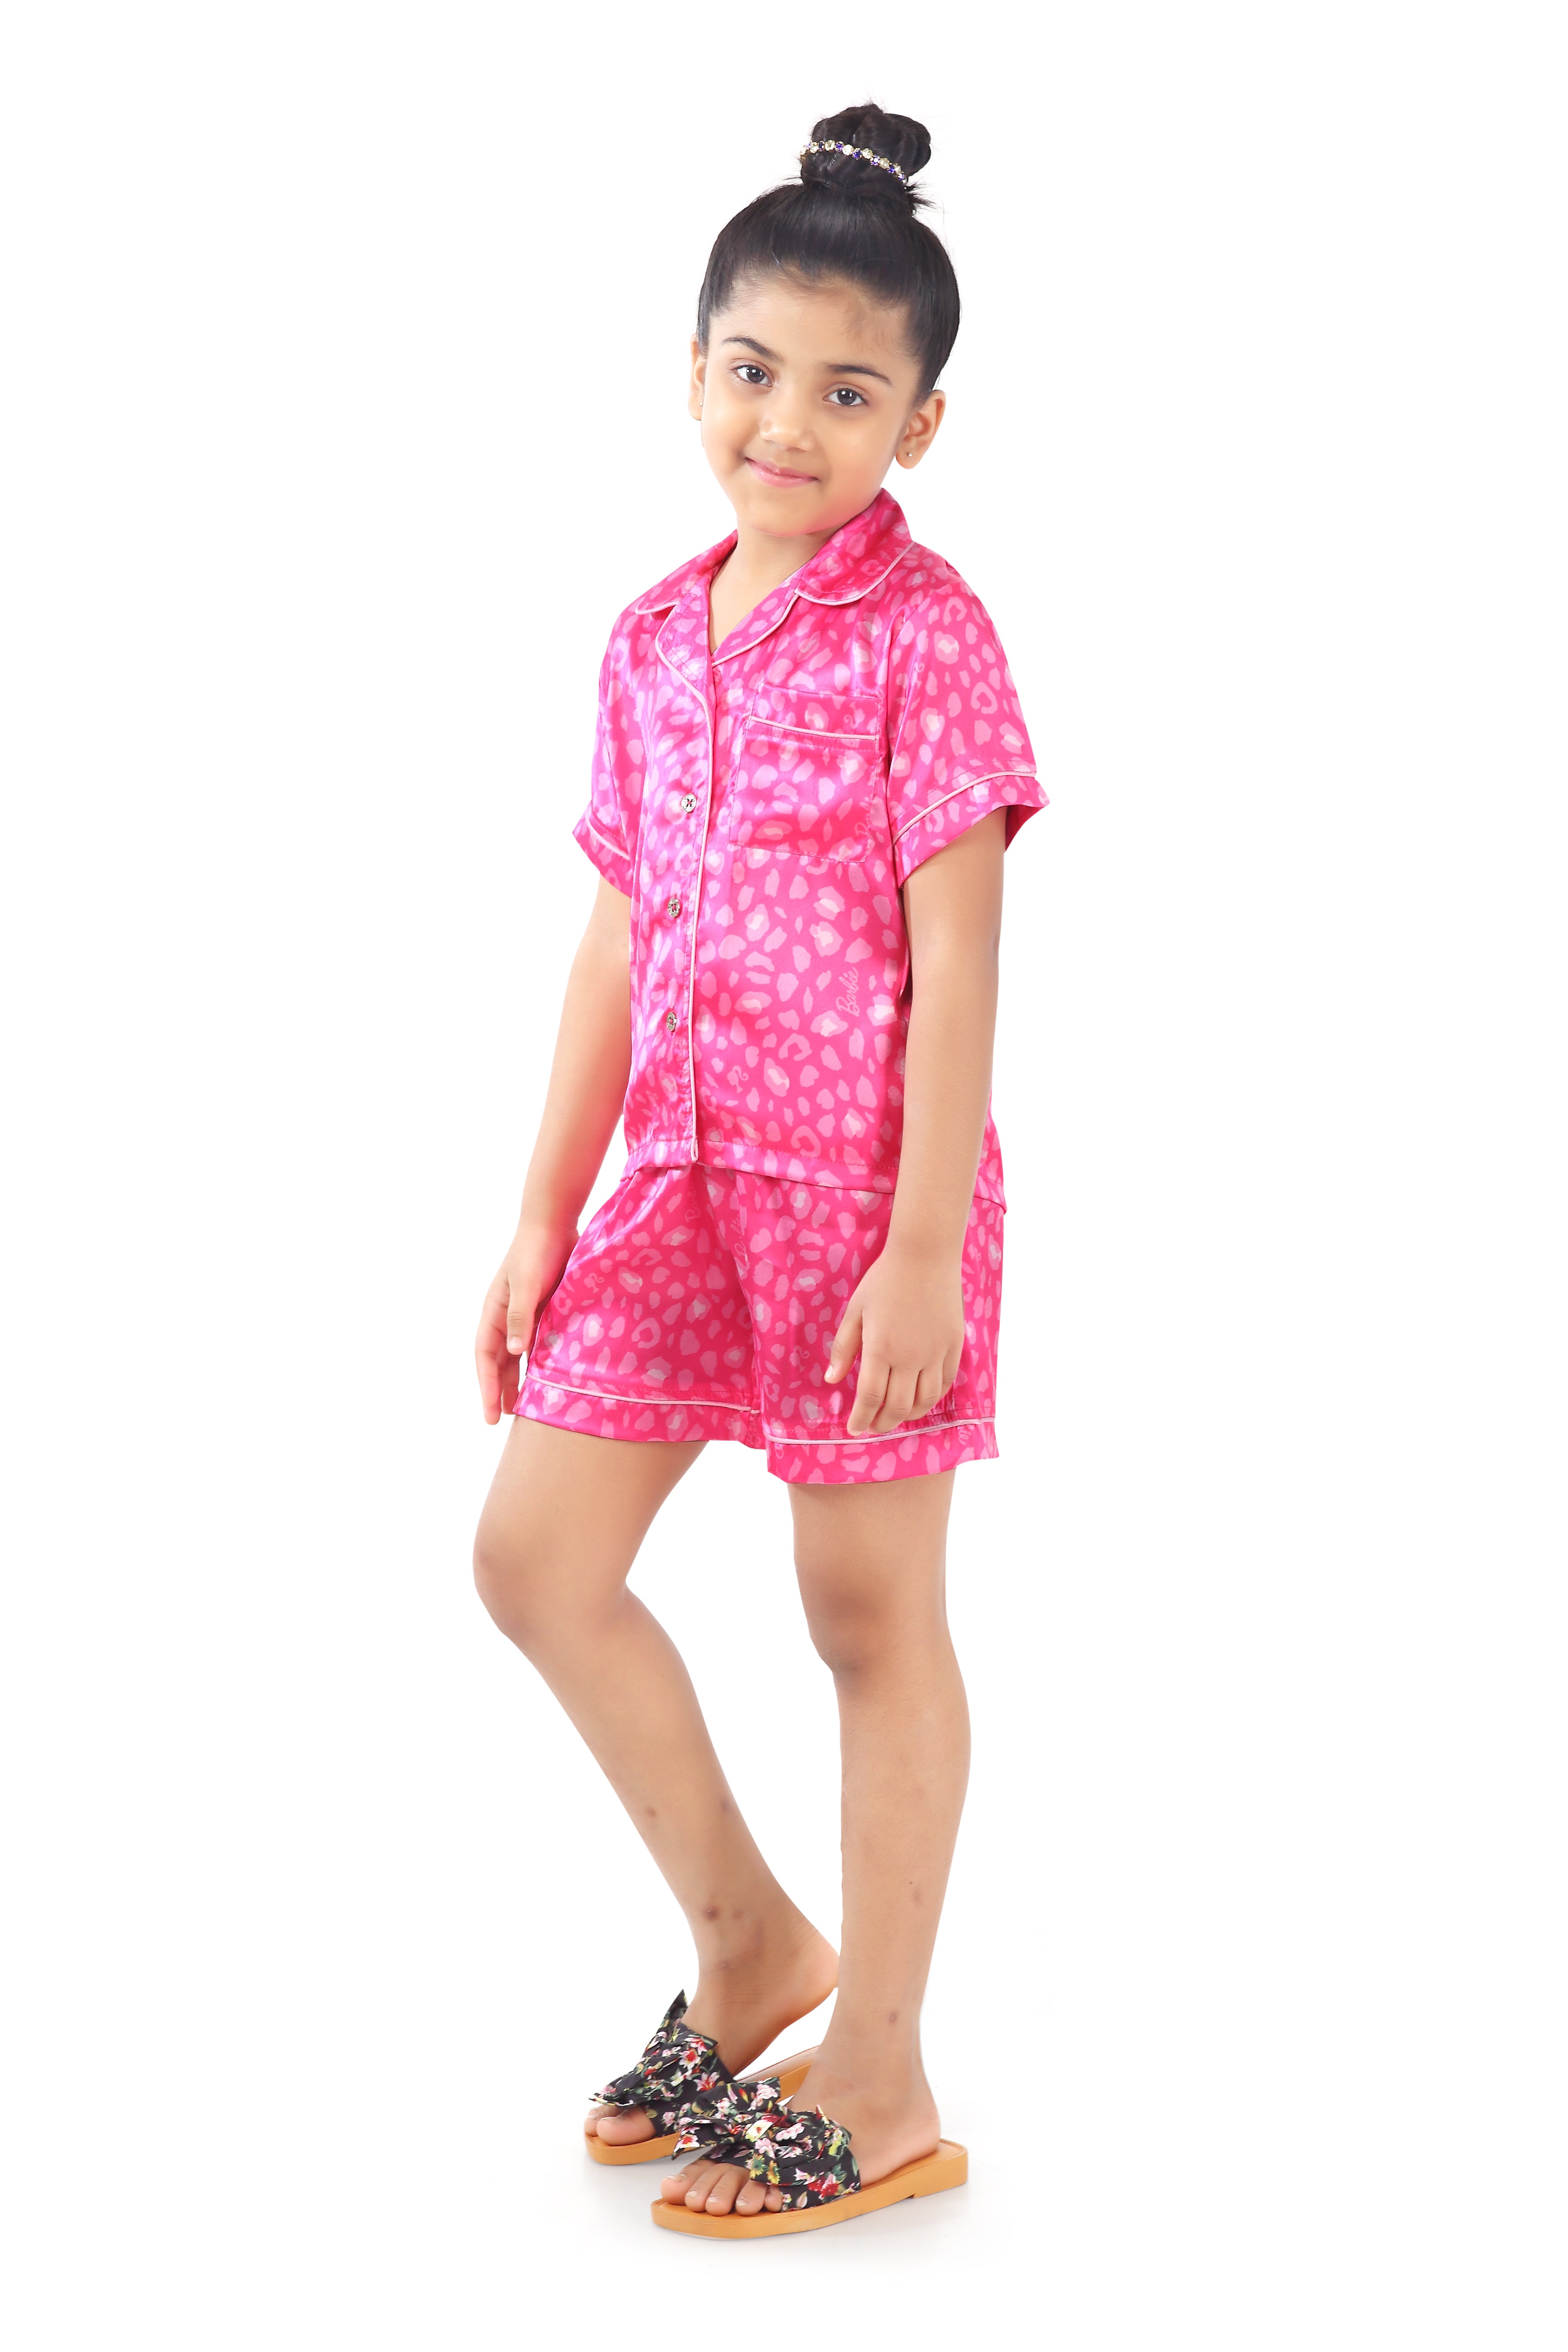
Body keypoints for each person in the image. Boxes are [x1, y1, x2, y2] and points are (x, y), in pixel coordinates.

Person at [472, 102, 1047, 2239]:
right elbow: (615, 937)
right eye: (753, 371)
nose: (788, 425)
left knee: (864, 1609)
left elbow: (961, 954)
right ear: (694, 368)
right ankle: (750, 1944)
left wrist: (924, 1248)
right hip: (672, 1189)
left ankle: (880, 2075)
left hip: (860, 1212)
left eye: (848, 392)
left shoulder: (930, 634)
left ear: (920, 422)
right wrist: (544, 1210)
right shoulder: (647, 638)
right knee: (533, 1557)